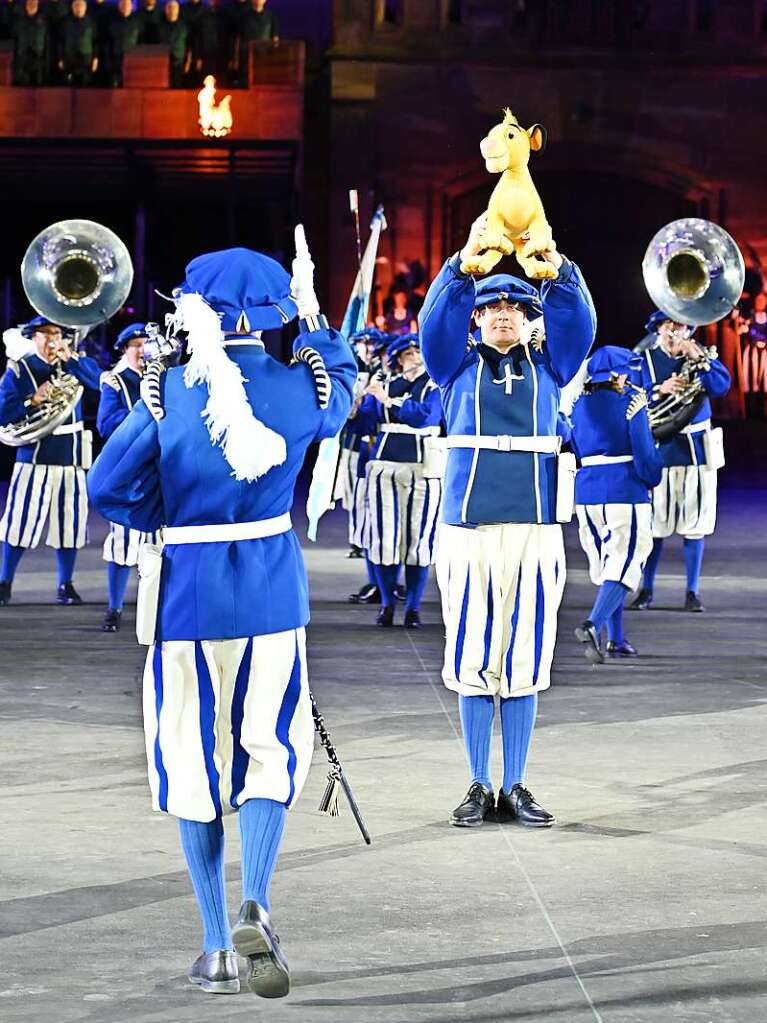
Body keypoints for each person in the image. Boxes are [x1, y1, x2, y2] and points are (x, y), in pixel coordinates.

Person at [87, 234, 356, 998]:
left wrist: (163, 505)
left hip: (189, 595)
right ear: (271, 313)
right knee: (270, 750)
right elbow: (339, 380)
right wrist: (312, 324)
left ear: (193, 311)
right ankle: (258, 901)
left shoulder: (167, 388)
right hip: (272, 592)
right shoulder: (302, 387)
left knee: (192, 763)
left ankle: (214, 947)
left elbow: (110, 486)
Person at [420, 211, 596, 828]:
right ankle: (477, 782)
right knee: (471, 654)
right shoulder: (453, 368)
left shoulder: (553, 368)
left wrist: (559, 269)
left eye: (516, 308)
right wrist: (460, 267)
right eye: (491, 304)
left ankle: (516, 784)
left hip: (536, 531)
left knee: (525, 659)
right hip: (468, 533)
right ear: (476, 315)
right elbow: (432, 325)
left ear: (530, 320)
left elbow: (581, 323)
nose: (502, 313)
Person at [631, 311, 731, 612]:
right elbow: (629, 395)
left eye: (681, 325)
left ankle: (692, 592)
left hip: (696, 452)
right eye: (668, 325)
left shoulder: (700, 358)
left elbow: (721, 387)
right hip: (660, 450)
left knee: (695, 523)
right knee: (656, 524)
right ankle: (646, 590)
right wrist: (659, 389)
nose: (675, 330)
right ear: (658, 329)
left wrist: (701, 361)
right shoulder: (644, 359)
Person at [0, 315, 103, 605]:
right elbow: (3, 414)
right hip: (35, 455)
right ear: (33, 338)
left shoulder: (74, 364)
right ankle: (5, 581)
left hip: (71, 456)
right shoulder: (20, 370)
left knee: (70, 525)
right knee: (19, 523)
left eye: (56, 332)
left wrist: (73, 360)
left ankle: (65, 585)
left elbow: (100, 383)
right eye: (45, 334)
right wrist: (32, 401)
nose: (52, 339)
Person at [570, 346, 663, 663]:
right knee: (625, 565)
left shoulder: (576, 405)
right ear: (615, 375)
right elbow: (646, 457)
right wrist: (653, 476)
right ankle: (593, 625)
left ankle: (617, 639)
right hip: (624, 490)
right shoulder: (632, 403)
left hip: (586, 494)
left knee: (608, 567)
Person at [357, 333, 443, 628]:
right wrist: (356, 400)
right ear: (397, 360)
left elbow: (425, 417)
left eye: (419, 353)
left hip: (423, 469)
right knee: (385, 540)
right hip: (385, 469)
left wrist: (387, 402)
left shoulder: (436, 385)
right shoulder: (385, 384)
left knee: (418, 543)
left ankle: (414, 608)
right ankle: (386, 603)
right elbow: (364, 423)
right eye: (408, 355)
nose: (415, 359)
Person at [96, 323, 161, 632]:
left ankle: (158, 607)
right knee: (123, 543)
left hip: (162, 469)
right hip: (130, 472)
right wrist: (143, 412)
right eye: (135, 345)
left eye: (145, 344)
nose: (141, 350)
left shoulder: (166, 378)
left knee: (159, 542)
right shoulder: (116, 381)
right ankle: (115, 607)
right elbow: (106, 424)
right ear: (125, 350)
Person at [59, 0, 97, 85]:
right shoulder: (65, 22)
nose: (79, 8)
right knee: (68, 88)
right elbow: (61, 41)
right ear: (72, 8)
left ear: (85, 8)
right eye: (76, 5)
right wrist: (60, 58)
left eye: (81, 6)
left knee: (86, 88)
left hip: (86, 61)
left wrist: (95, 58)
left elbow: (95, 41)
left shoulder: (91, 22)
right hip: (69, 60)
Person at [12, 0, 48, 85]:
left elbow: (47, 40)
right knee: (21, 84)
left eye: (34, 3)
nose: (31, 6)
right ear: (26, 5)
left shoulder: (43, 20)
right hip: (22, 56)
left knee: (38, 84)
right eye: (29, 3)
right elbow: (15, 37)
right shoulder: (20, 20)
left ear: (37, 5)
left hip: (38, 55)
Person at [107, 0, 139, 87]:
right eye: (123, 4)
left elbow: (141, 42)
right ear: (119, 6)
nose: (125, 7)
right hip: (115, 59)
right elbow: (108, 42)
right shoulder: (112, 22)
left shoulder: (137, 22)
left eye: (127, 4)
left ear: (131, 6)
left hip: (132, 60)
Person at [159, 0, 189, 86]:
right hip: (162, 65)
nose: (172, 10)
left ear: (178, 10)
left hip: (179, 64)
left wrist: (188, 62)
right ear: (166, 10)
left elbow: (189, 45)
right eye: (170, 8)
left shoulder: (184, 26)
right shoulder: (159, 26)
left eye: (174, 8)